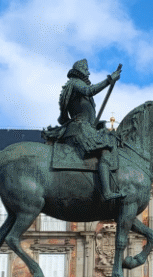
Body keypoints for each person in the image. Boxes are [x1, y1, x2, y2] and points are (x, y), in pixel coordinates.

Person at [51, 59, 124, 201]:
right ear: (80, 70)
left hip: (85, 127)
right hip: (79, 129)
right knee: (105, 151)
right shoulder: (75, 83)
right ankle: (107, 192)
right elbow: (89, 91)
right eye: (86, 69)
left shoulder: (75, 85)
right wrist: (109, 80)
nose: (88, 73)